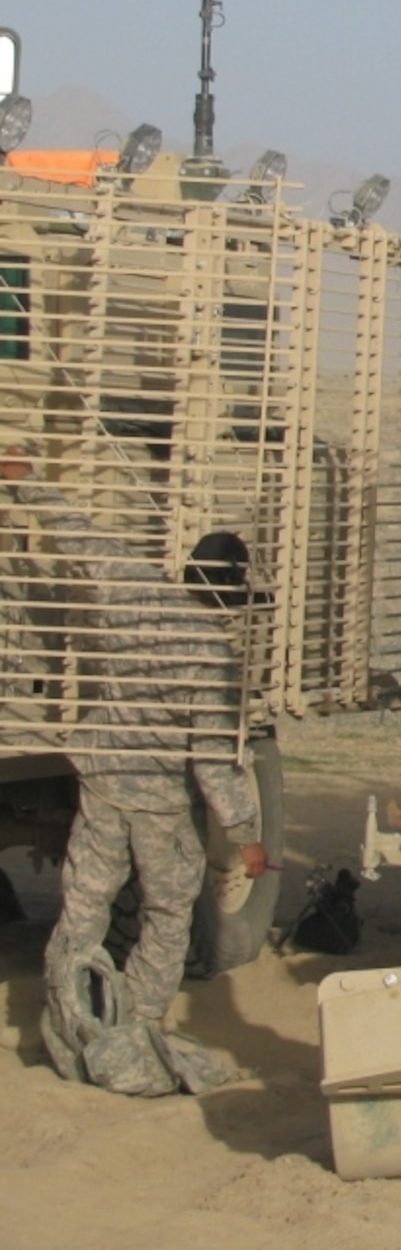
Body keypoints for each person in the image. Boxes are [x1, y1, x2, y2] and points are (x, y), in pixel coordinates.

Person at [0, 453, 267, 1083]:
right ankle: (139, 1027)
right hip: (160, 805)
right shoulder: (211, 655)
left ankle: (66, 1022)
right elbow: (212, 760)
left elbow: (83, 540)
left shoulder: (135, 594)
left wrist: (30, 483)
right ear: (231, 596)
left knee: (83, 907)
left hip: (100, 781)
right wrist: (247, 834)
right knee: (169, 914)